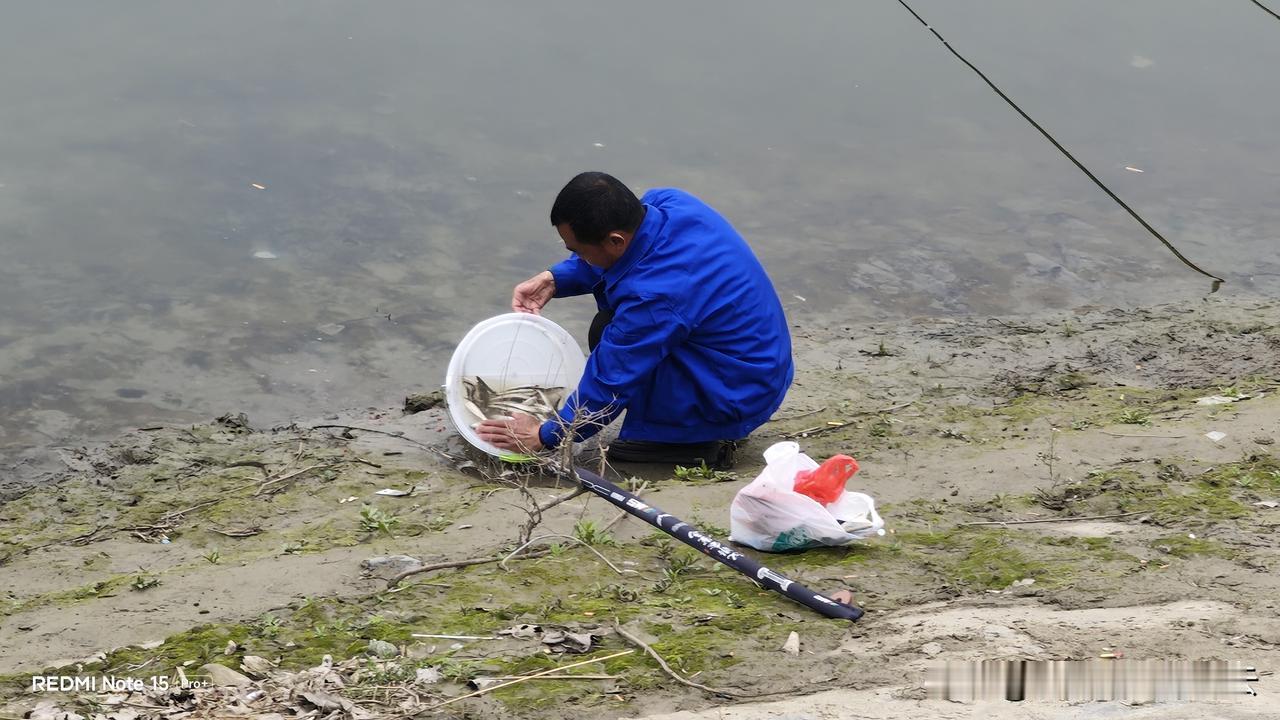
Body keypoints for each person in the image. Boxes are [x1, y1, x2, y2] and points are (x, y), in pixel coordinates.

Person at [475, 172, 793, 469]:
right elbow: (628, 256)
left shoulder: (655, 297)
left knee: (610, 340)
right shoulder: (668, 203)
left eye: (579, 251)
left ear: (615, 240)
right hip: (761, 365)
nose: (577, 256)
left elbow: (612, 378)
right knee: (609, 329)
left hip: (739, 391)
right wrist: (557, 278)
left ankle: (697, 442)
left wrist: (546, 435)